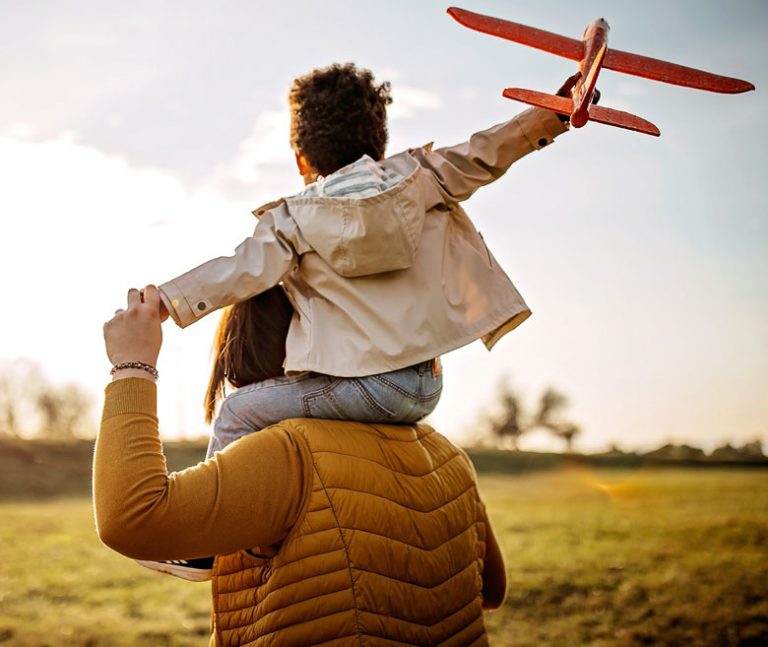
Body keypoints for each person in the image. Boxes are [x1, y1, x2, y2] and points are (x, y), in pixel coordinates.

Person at [153, 62, 572, 455]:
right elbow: (488, 149)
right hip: (426, 386)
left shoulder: (292, 218)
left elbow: (240, 270)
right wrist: (553, 117)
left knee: (236, 412)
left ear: (302, 158)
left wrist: (167, 299)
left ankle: (214, 528)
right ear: (378, 144)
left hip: (363, 390)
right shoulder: (421, 176)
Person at [96, 285, 507, 645]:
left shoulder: (289, 454)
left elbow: (132, 519)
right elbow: (491, 590)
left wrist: (132, 365)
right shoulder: (449, 456)